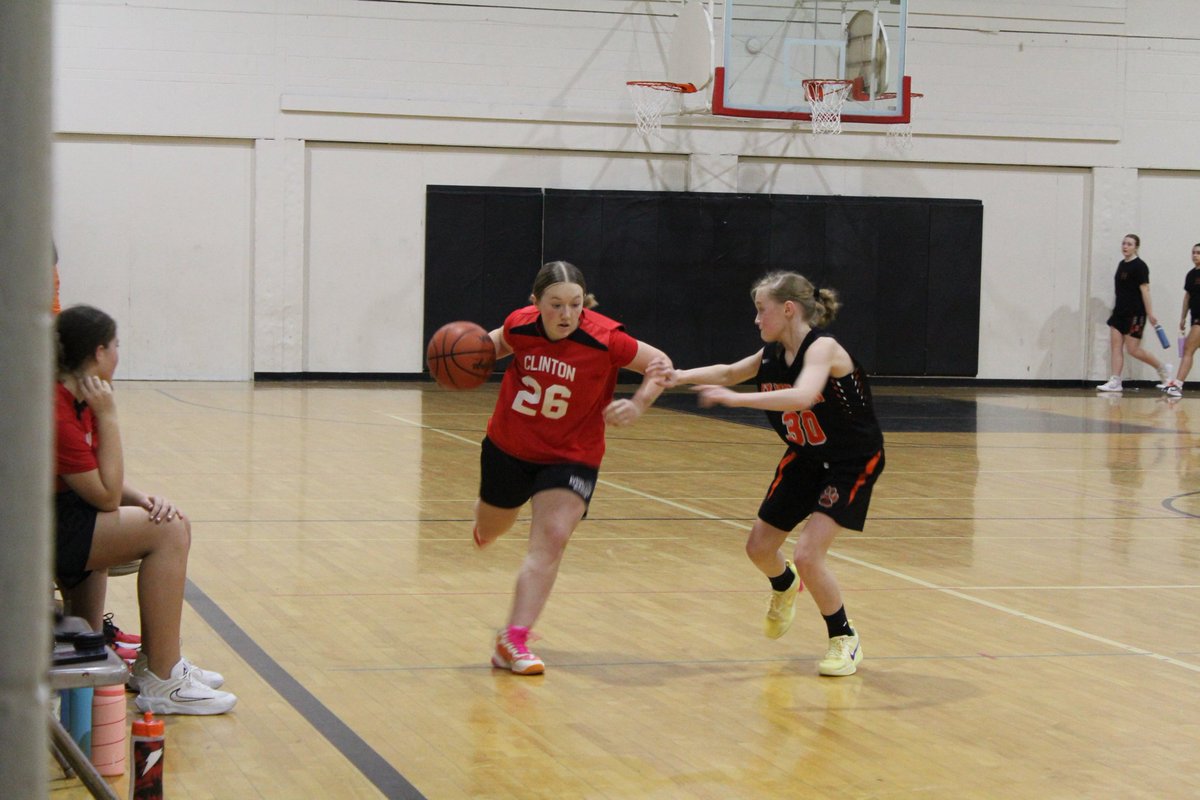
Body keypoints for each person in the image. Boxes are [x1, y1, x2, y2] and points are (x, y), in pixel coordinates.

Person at [651, 271, 883, 677]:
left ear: (788, 309)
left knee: (808, 554)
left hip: (850, 461)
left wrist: (736, 401)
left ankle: (844, 637)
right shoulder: (771, 355)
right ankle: (783, 584)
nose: (757, 320)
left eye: (762, 310)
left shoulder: (823, 348)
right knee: (758, 548)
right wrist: (680, 377)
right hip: (807, 456)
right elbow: (726, 372)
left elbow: (805, 395)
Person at [473, 260, 672, 675]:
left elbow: (661, 364)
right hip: (509, 447)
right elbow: (494, 342)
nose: (566, 315)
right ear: (535, 303)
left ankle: (514, 639)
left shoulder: (606, 339)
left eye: (575, 304)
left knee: (554, 535)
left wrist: (638, 403)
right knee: (491, 531)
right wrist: (466, 357)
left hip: (572, 454)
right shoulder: (519, 325)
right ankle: (485, 526)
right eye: (555, 305)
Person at [54, 304, 237, 714]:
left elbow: (99, 481)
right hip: (44, 529)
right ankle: (165, 681)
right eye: (116, 345)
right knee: (169, 531)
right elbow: (102, 496)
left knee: (168, 518)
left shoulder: (72, 398)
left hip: (59, 517)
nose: (119, 354)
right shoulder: (61, 411)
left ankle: (152, 666)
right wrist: (109, 416)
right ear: (99, 353)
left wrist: (141, 498)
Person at [1096, 234, 1172, 392]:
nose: (1125, 246)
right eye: (1123, 243)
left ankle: (1162, 368)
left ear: (1136, 247)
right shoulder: (1121, 264)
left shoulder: (1140, 266)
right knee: (1115, 346)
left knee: (1133, 350)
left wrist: (1150, 313)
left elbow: (1145, 290)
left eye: (1129, 244)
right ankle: (1115, 381)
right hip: (1119, 313)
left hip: (1135, 314)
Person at [1161, 243, 1200, 399]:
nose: (1195, 255)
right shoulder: (1191, 275)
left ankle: (1177, 385)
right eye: (1193, 252)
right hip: (1194, 317)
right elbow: (1187, 297)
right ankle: (1177, 384)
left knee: (1188, 349)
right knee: (1189, 350)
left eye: (1198, 253)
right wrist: (1183, 317)